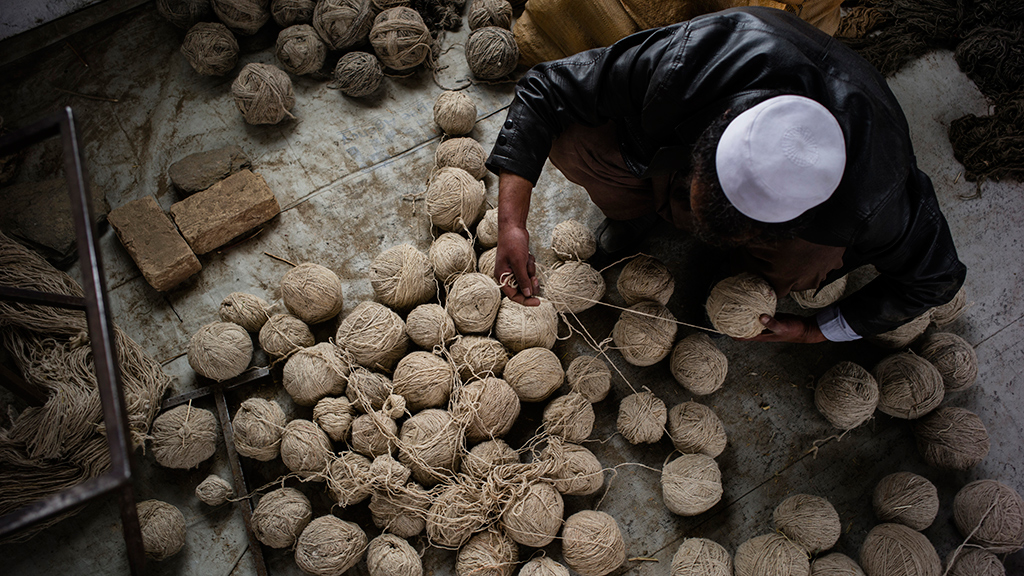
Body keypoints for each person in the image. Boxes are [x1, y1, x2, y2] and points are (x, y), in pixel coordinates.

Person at [486, 6, 966, 344]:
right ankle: (638, 210)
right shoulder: (696, 59)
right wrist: (512, 224)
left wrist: (816, 330)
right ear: (713, 134)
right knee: (576, 139)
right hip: (703, 112)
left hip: (826, 214)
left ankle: (761, 269)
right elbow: (544, 90)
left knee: (805, 261)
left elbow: (936, 278)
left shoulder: (875, 196)